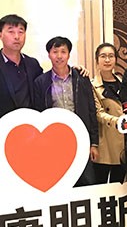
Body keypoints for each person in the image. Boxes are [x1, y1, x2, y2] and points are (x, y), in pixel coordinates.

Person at [0, 14, 89, 119]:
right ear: (0, 35)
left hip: (32, 128)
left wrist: (74, 70)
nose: (17, 37)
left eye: (21, 32)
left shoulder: (32, 64)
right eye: (11, 32)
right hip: (3, 129)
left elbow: (45, 86)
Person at [33, 36, 98, 186]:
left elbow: (91, 110)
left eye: (63, 52)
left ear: (69, 55)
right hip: (54, 140)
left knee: (86, 180)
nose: (59, 56)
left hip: (80, 136)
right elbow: (39, 113)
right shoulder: (41, 82)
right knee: (60, 180)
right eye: (55, 52)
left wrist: (94, 143)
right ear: (49, 55)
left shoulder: (81, 78)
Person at [91, 43, 125, 183]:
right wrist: (117, 121)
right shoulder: (92, 85)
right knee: (101, 185)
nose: (107, 60)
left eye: (111, 56)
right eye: (103, 56)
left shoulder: (123, 82)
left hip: (123, 141)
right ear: (97, 60)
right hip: (104, 141)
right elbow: (98, 112)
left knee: (120, 185)